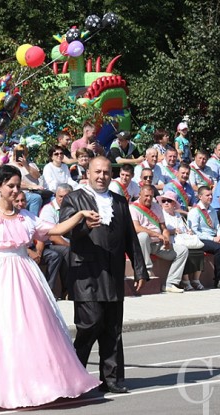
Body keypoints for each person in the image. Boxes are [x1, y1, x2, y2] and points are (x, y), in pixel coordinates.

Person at [0, 164, 101, 408]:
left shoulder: (26, 216)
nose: (15, 190)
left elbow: (54, 229)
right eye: (10, 186)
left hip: (25, 275)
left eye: (17, 185)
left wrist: (79, 216)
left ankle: (39, 383)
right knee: (0, 330)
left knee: (32, 328)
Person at [60, 156, 149, 394]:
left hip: (113, 273)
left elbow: (130, 237)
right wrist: (83, 226)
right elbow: (65, 229)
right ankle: (75, 378)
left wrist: (139, 268)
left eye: (106, 173)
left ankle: (111, 379)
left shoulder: (119, 201)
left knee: (112, 328)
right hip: (86, 273)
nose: (102, 176)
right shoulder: (74, 198)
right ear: (87, 173)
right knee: (90, 325)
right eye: (97, 172)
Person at [130, 185, 189, 292]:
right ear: (140, 195)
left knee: (183, 251)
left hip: (158, 244)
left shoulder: (157, 207)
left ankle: (170, 283)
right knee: (143, 236)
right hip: (144, 244)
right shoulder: (133, 207)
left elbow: (163, 227)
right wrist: (157, 235)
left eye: (151, 196)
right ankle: (146, 269)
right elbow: (136, 228)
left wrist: (166, 236)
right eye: (146, 196)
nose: (148, 198)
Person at [13, 191, 64, 298]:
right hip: (17, 253)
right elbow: (12, 244)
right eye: (17, 201)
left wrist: (39, 253)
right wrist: (29, 252)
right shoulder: (8, 218)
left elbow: (41, 235)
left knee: (54, 256)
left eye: (22, 200)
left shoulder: (29, 217)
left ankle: (49, 291)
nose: (20, 203)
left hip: (34, 248)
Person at [158, 191, 204, 291]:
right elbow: (160, 230)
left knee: (199, 251)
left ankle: (196, 280)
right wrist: (172, 231)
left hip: (182, 239)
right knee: (185, 251)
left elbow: (183, 228)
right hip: (170, 241)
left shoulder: (178, 215)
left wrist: (188, 231)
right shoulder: (161, 214)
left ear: (174, 203)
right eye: (164, 200)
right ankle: (186, 281)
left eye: (169, 201)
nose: (166, 203)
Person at [38, 183, 73, 299]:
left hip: (68, 241)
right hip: (49, 244)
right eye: (60, 196)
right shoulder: (49, 210)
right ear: (55, 196)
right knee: (67, 251)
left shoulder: (74, 208)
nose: (62, 199)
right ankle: (67, 290)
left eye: (66, 196)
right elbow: (53, 237)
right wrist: (70, 245)